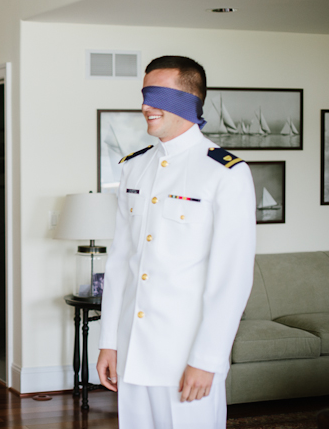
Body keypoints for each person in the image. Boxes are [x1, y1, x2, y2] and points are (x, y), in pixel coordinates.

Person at [96, 56, 256, 429]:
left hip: (185, 356)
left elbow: (231, 278)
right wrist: (109, 342)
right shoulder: (133, 167)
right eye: (144, 95)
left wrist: (208, 358)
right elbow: (121, 261)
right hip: (133, 352)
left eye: (157, 95)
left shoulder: (225, 173)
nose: (145, 106)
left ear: (190, 100)